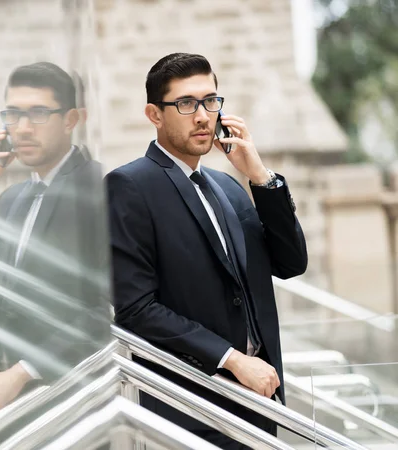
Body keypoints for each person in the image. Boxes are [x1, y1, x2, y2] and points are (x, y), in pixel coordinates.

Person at [106, 53, 308, 449]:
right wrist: (232, 359)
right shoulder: (129, 185)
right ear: (155, 114)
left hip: (259, 405)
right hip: (189, 408)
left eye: (211, 101)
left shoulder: (229, 185)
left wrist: (260, 177)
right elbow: (135, 308)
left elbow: (290, 263)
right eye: (186, 104)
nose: (203, 116)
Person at [0, 61, 110, 413]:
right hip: (4, 401)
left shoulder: (100, 189)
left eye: (37, 114)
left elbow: (104, 310)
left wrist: (23, 372)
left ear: (70, 121)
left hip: (69, 400)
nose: (21, 128)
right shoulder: (8, 200)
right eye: (12, 114)